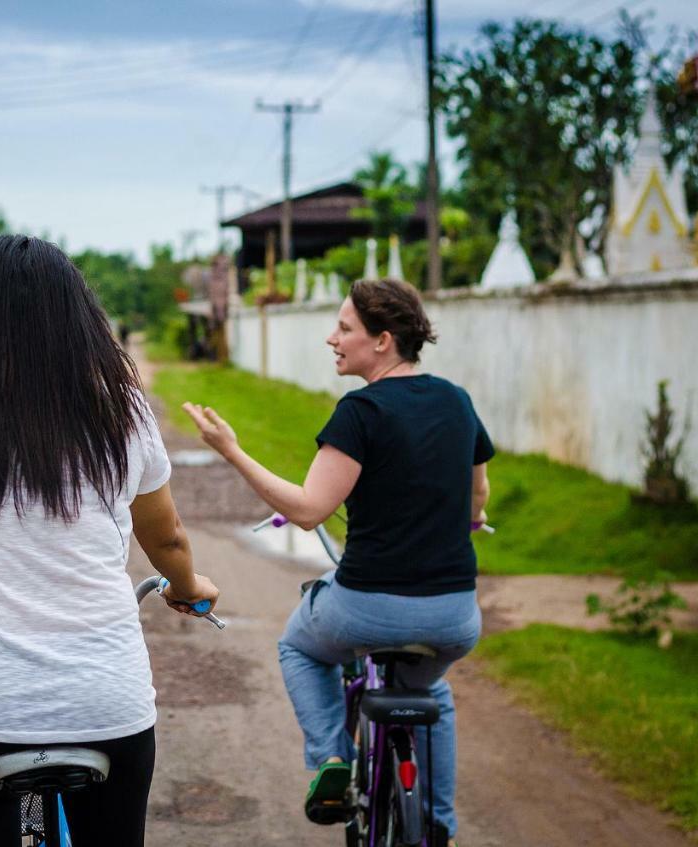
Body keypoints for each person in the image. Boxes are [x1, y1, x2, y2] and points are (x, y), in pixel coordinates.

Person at [0, 234, 219, 847]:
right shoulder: (123, 411)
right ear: (79, 319)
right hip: (106, 705)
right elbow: (166, 537)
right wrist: (189, 589)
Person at [182, 278, 490, 847]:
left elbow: (308, 509)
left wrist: (230, 450)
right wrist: (465, 525)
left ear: (383, 340)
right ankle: (439, 826)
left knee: (298, 645)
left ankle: (331, 758)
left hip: (367, 610)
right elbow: (477, 498)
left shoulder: (362, 411)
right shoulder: (457, 401)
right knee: (432, 693)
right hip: (454, 617)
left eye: (345, 328)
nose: (332, 338)